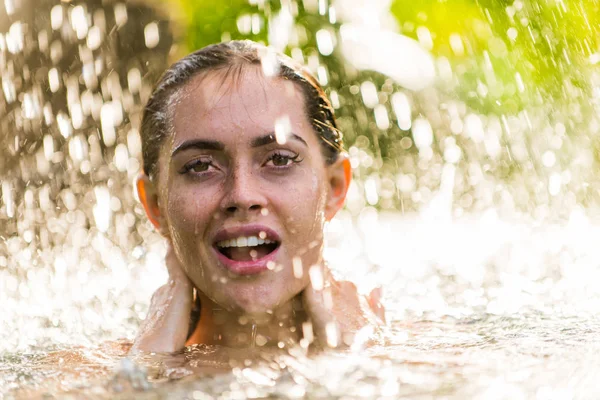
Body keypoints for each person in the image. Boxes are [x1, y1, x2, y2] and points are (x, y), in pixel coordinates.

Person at [131, 40, 384, 354]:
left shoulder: (425, 356)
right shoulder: (92, 374)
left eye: (279, 159)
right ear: (156, 206)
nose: (242, 194)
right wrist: (148, 361)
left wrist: (362, 351)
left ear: (334, 187)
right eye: (200, 166)